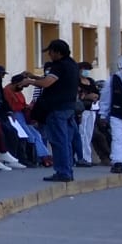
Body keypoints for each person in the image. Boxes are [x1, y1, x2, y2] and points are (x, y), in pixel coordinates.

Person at [26, 39, 82, 183]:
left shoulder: (59, 66)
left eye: (50, 52)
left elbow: (47, 83)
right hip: (69, 107)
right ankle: (68, 170)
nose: (49, 55)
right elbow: (54, 81)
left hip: (57, 109)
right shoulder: (72, 64)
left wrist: (30, 82)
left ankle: (62, 172)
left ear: (58, 52)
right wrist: (34, 76)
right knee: (66, 141)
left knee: (58, 141)